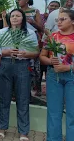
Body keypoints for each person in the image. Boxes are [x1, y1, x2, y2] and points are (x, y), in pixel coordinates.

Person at [0, 9, 39, 141]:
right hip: (4, 65)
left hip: (22, 65)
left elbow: (36, 52)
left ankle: (23, 132)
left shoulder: (30, 33)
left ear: (22, 18)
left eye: (17, 15)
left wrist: (26, 54)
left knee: (23, 98)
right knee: (4, 98)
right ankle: (2, 128)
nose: (14, 18)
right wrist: (6, 52)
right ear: (9, 18)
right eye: (12, 15)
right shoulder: (2, 32)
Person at [40, 10, 74, 140]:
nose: (58, 22)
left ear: (72, 21)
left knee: (72, 113)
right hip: (54, 76)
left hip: (72, 76)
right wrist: (50, 61)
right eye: (57, 20)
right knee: (54, 113)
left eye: (63, 19)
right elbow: (42, 56)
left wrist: (68, 66)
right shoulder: (52, 37)